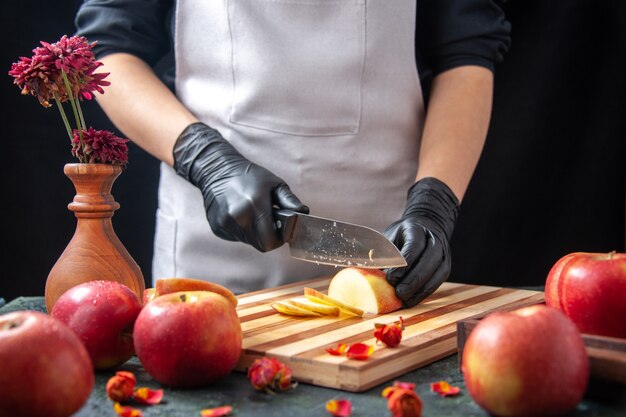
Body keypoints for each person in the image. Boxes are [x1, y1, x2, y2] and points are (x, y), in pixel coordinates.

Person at [74, 0, 510, 306]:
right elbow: (109, 49)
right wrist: (206, 160)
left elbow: (467, 52)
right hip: (211, 252)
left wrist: (435, 205)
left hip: (388, 248)